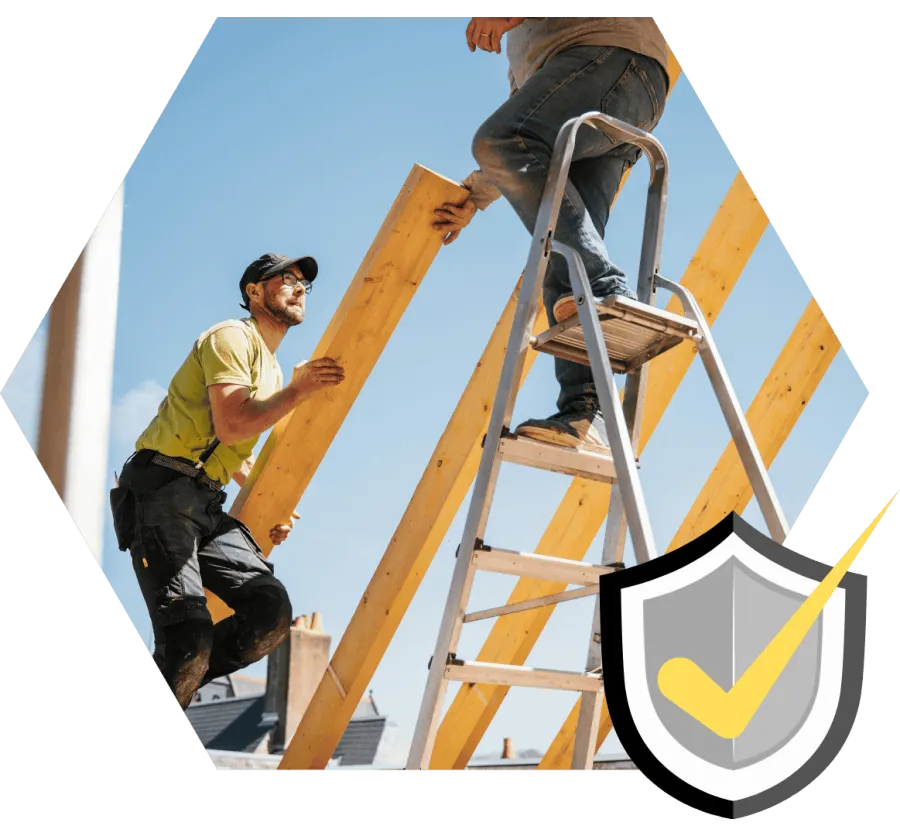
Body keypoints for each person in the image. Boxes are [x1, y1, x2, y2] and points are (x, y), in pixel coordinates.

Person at [109, 253, 345, 710]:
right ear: (254, 292)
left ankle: (179, 671)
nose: (299, 288)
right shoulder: (231, 337)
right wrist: (299, 392)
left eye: (304, 284)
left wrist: (276, 506)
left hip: (203, 502)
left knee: (269, 615)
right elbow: (234, 426)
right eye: (287, 279)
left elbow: (237, 456)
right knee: (188, 637)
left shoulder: (272, 371)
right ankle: (182, 660)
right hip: (160, 490)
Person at [434, 16, 672, 455]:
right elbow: (528, 121)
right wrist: (476, 195)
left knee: (501, 139)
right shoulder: (525, 47)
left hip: (615, 61)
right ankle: (588, 413)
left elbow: (511, 136)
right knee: (560, 247)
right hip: (603, 85)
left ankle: (605, 287)